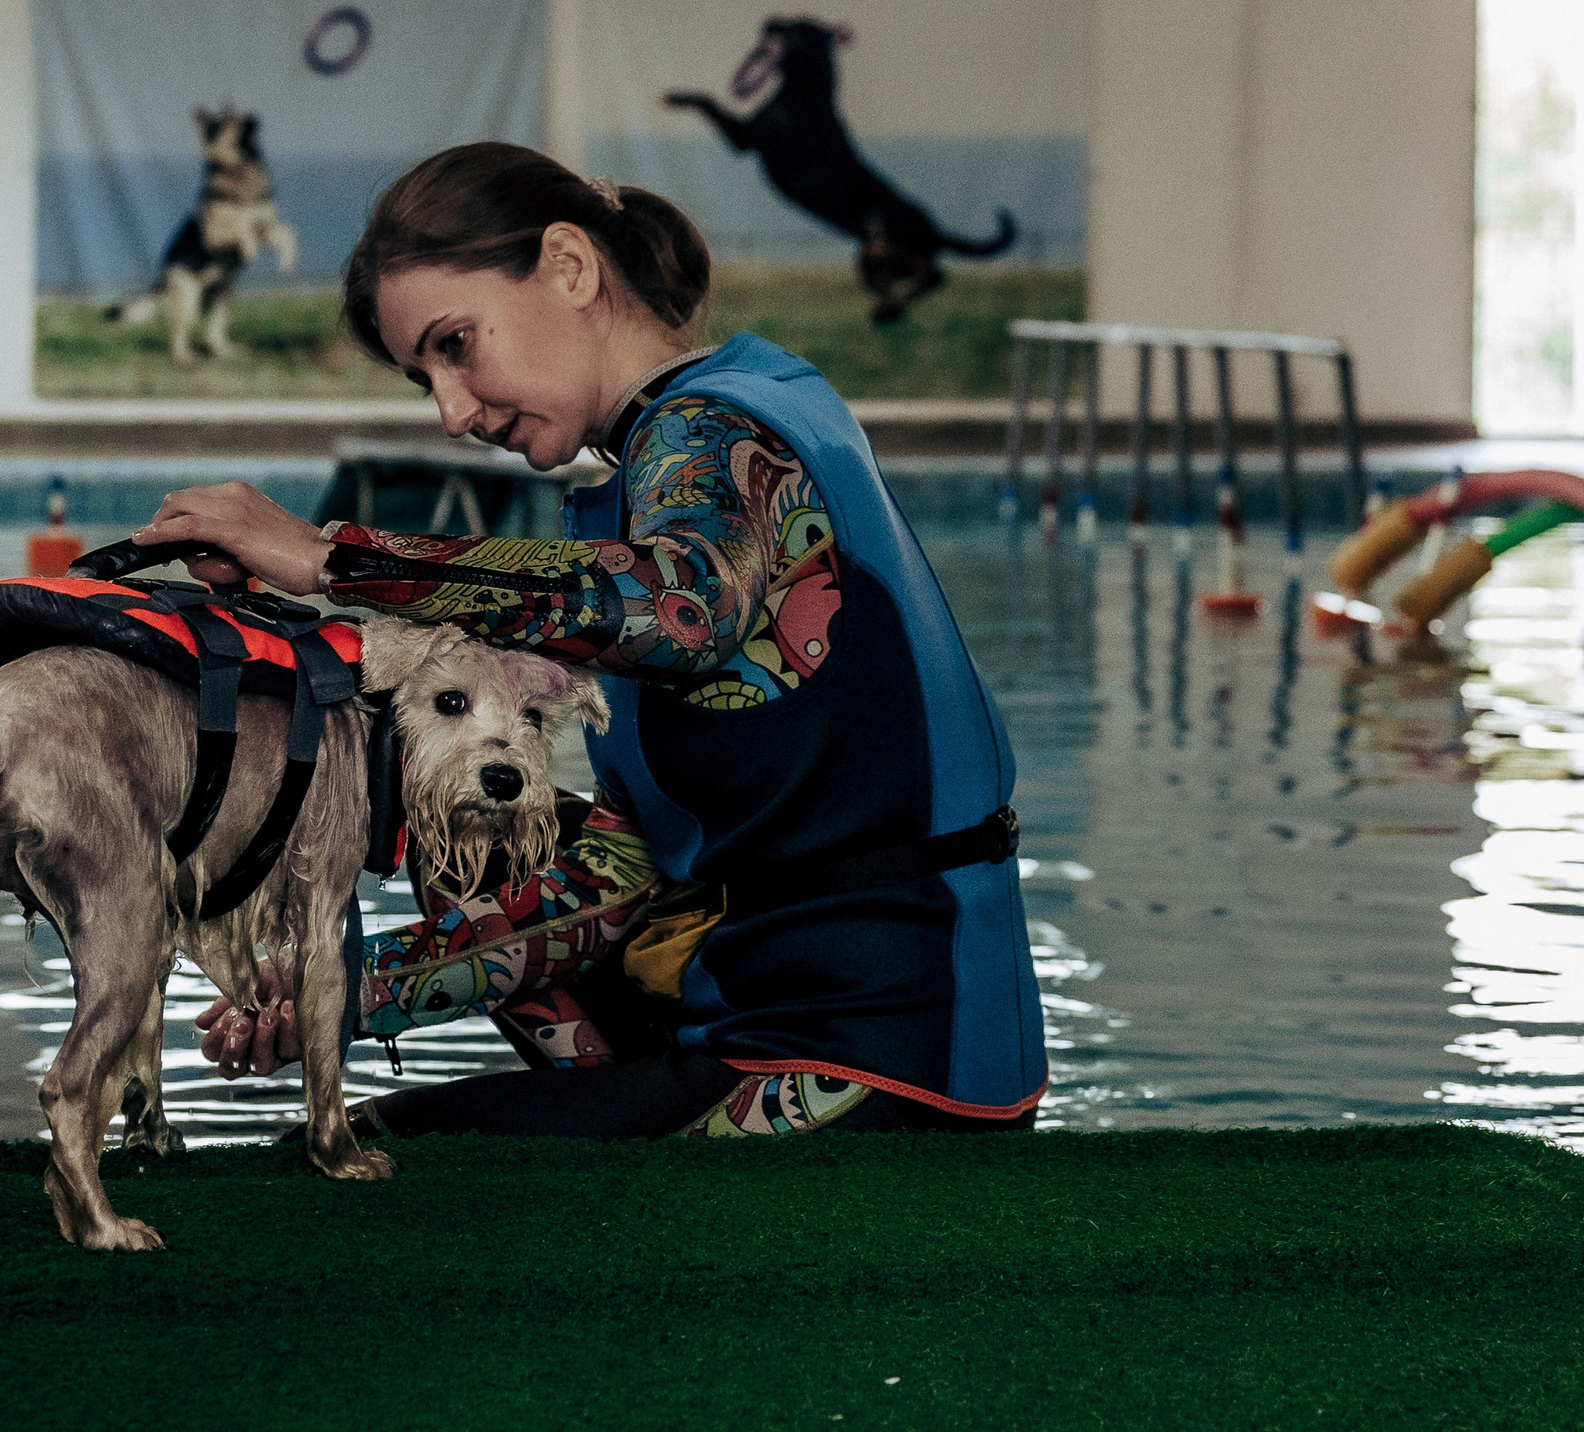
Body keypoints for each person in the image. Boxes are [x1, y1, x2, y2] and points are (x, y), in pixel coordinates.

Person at [133, 142, 1045, 1139]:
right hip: (800, 1013)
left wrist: (325, 559)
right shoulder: (743, 403)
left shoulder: (713, 433)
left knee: (371, 1161)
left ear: (569, 267)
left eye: (455, 343)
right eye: (422, 378)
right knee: (481, 811)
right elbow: (621, 878)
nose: (449, 412)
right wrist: (340, 989)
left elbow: (676, 606)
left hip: (870, 1055)